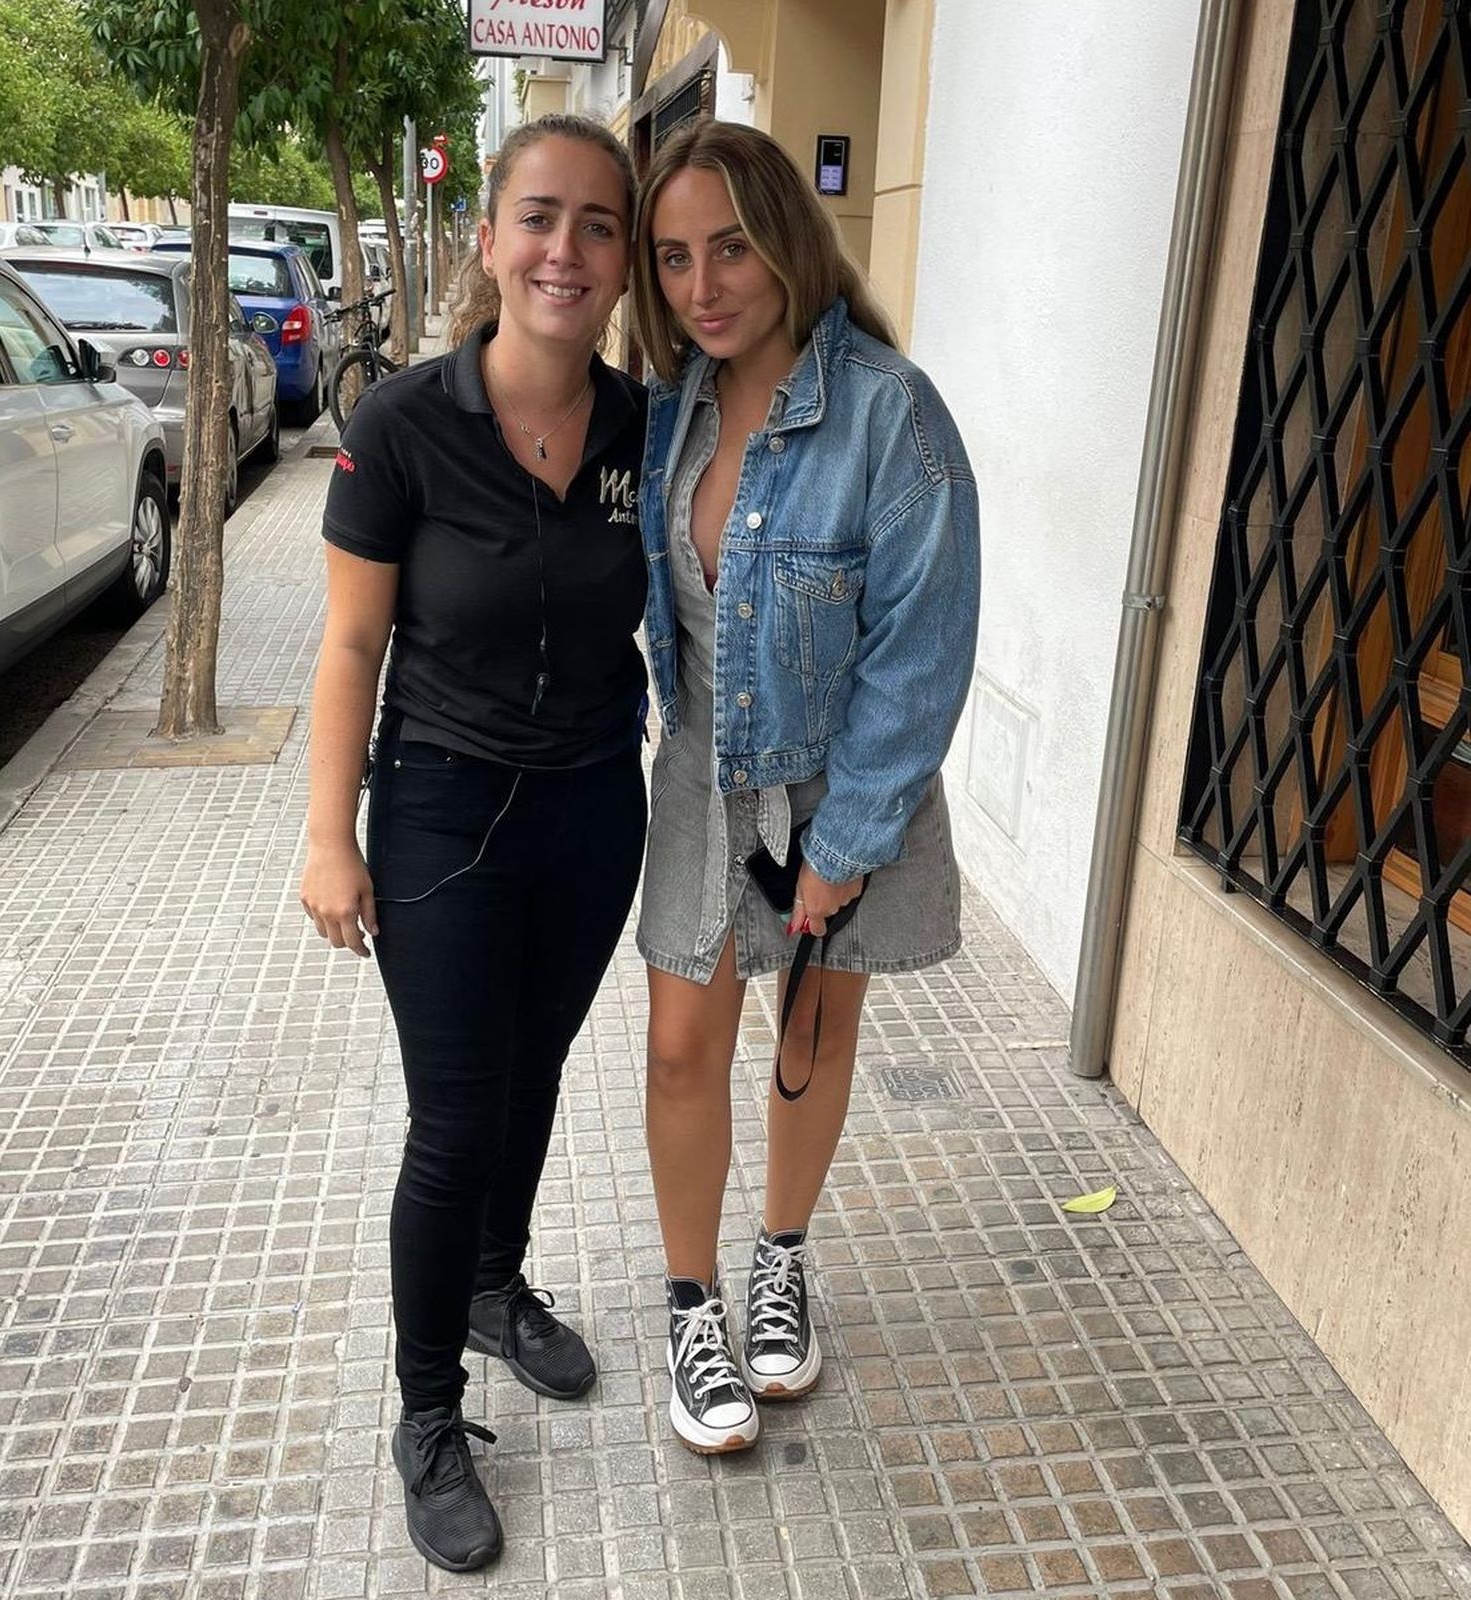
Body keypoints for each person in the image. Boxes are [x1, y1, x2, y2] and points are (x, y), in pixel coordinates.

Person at [299, 114, 647, 1572]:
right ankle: (428, 1413)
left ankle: (499, 1287)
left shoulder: (644, 425)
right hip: (439, 810)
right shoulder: (400, 426)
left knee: (539, 1070)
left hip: (590, 814)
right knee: (454, 1120)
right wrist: (331, 835)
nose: (566, 250)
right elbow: (349, 640)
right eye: (541, 218)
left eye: (598, 226)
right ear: (494, 239)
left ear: (622, 262)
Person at [632, 120, 981, 1455]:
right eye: (673, 258)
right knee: (680, 1047)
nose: (703, 284)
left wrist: (848, 842)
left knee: (812, 1035)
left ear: (786, 239)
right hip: (701, 785)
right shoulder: (669, 414)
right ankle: (691, 1301)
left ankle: (780, 1259)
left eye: (729, 246)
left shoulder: (890, 411)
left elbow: (924, 644)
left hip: (844, 785)